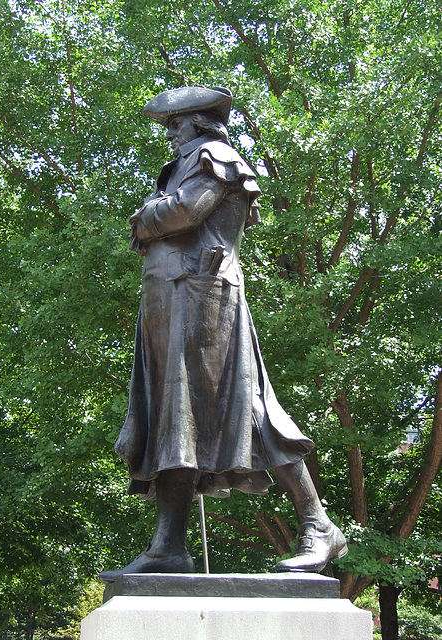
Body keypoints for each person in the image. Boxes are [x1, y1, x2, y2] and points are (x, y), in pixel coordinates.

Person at [99, 87, 346, 582]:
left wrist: (144, 218)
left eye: (175, 124)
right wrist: (152, 222)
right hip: (172, 300)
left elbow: (182, 213)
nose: (170, 133)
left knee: (244, 404)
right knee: (176, 413)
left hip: (203, 296)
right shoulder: (184, 164)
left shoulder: (216, 157)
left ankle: (318, 525)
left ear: (198, 123)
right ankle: (168, 545)